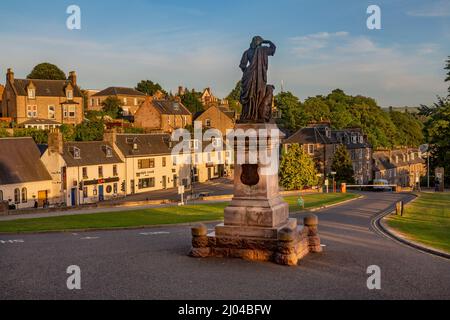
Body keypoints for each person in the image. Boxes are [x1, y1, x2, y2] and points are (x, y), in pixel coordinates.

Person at [239, 36, 276, 122]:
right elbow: (273, 49)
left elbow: (242, 65)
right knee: (257, 94)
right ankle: (255, 115)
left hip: (249, 76)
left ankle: (249, 115)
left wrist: (249, 71)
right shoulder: (263, 50)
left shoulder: (247, 52)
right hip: (259, 77)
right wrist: (269, 41)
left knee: (251, 96)